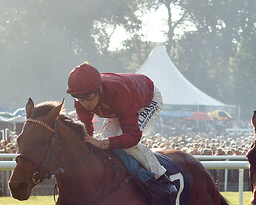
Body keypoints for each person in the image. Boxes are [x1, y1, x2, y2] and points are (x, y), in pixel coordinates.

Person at [66, 62, 175, 196]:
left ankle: (161, 179)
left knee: (125, 144)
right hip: (119, 107)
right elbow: (86, 133)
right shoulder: (80, 100)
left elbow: (133, 137)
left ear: (99, 88)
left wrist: (102, 143)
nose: (85, 103)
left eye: (89, 97)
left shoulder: (118, 91)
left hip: (147, 99)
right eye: (79, 98)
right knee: (106, 144)